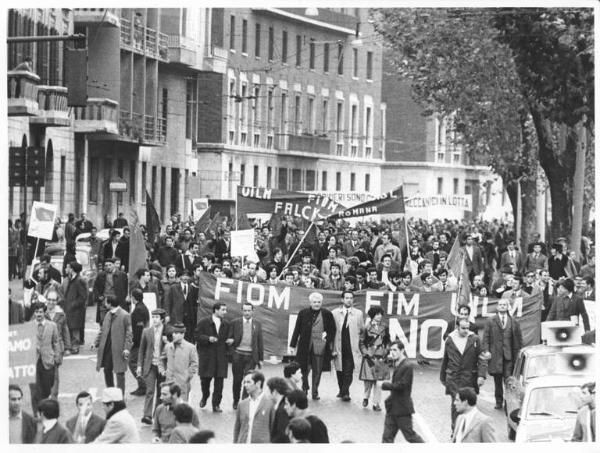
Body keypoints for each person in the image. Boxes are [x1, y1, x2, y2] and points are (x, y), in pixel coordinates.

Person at [440, 318, 487, 431]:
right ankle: (455, 430)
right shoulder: (450, 340)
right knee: (456, 404)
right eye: (463, 328)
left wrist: (481, 375)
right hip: (454, 377)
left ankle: (467, 429)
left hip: (469, 378)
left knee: (468, 405)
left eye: (467, 328)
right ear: (457, 327)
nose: (466, 330)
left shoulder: (475, 339)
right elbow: (446, 359)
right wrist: (443, 377)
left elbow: (481, 358)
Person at [289, 292, 336, 401]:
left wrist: (326, 339)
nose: (317, 304)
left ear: (321, 302)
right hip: (305, 346)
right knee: (304, 369)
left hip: (320, 347)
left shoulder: (327, 314)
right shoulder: (303, 313)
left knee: (317, 371)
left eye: (319, 302)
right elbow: (297, 330)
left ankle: (315, 391)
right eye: (314, 302)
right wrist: (292, 344)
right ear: (310, 302)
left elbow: (332, 330)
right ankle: (305, 387)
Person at [481, 299, 523, 409]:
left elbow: (519, 339)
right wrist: (486, 350)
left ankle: (508, 403)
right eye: (500, 305)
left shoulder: (514, 322)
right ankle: (498, 402)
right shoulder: (491, 321)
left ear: (508, 307)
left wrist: (518, 353)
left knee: (509, 381)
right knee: (497, 380)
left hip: (509, 356)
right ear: (497, 307)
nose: (502, 306)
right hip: (495, 356)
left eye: (504, 305)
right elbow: (486, 337)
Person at [381, 341, 424, 443]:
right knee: (387, 438)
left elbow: (402, 385)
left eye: (395, 350)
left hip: (402, 409)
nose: (392, 352)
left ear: (402, 350)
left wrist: (384, 385)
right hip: (393, 408)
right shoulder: (399, 364)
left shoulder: (407, 366)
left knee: (410, 436)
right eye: (391, 350)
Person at [195, 302, 234, 412]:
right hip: (207, 357)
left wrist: (230, 340)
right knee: (205, 381)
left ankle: (216, 404)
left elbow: (230, 337)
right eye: (223, 310)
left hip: (221, 357)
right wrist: (208, 338)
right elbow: (197, 336)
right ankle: (205, 396)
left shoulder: (226, 324)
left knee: (219, 383)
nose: (225, 312)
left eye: (225, 310)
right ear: (215, 310)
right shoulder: (204, 322)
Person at [93, 295, 133, 396]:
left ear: (110, 304)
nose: (104, 304)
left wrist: (127, 348)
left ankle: (120, 396)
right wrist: (95, 342)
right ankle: (111, 393)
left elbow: (129, 334)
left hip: (118, 349)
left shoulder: (125, 315)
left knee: (120, 373)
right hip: (107, 348)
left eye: (106, 302)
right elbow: (102, 330)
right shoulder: (108, 315)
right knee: (107, 370)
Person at [229, 301, 264, 409]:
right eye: (245, 310)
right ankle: (235, 400)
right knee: (237, 380)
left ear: (252, 311)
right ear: (242, 311)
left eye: (249, 310)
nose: (247, 313)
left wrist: (261, 359)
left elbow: (260, 342)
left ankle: (244, 401)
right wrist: (232, 353)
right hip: (238, 355)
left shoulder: (257, 324)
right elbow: (230, 338)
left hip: (251, 357)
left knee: (248, 380)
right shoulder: (235, 322)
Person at [332, 290, 364, 402]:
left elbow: (361, 330)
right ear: (342, 299)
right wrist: (332, 347)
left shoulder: (358, 314)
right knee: (339, 370)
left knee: (348, 370)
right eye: (346, 298)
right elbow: (332, 331)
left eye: (351, 298)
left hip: (352, 347)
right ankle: (341, 389)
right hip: (339, 346)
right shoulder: (335, 313)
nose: (349, 300)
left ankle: (346, 392)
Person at [137, 308, 167, 425]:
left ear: (162, 319)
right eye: (153, 317)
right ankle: (147, 415)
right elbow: (141, 350)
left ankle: (157, 415)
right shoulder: (146, 331)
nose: (154, 319)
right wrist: (139, 365)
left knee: (160, 392)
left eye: (156, 317)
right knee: (150, 390)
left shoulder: (167, 332)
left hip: (162, 366)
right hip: (150, 365)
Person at [359, 306, 390, 411]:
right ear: (372, 315)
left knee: (379, 382)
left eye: (381, 314)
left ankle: (376, 403)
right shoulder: (366, 327)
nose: (379, 316)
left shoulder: (385, 327)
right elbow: (361, 342)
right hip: (370, 356)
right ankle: (365, 397)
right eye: (377, 314)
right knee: (368, 381)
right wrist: (365, 353)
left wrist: (386, 351)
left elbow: (387, 341)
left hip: (381, 356)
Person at [233, 370, 275, 443]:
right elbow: (237, 428)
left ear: (258, 384)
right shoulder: (242, 404)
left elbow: (273, 428)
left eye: (248, 382)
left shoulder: (270, 404)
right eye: (244, 382)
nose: (245, 385)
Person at [31, 302, 60, 404]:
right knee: (35, 390)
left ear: (44, 312)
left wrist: (57, 358)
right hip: (33, 362)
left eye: (40, 312)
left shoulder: (52, 325)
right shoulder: (29, 327)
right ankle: (37, 413)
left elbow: (56, 342)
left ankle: (45, 408)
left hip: (48, 361)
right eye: (36, 312)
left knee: (47, 389)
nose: (38, 314)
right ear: (34, 313)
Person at [43, 290, 70, 399]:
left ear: (56, 301)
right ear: (46, 300)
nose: (51, 302)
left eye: (54, 300)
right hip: (44, 348)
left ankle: (54, 398)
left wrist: (68, 347)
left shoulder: (61, 315)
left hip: (57, 349)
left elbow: (65, 330)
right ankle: (45, 396)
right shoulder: (41, 313)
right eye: (49, 299)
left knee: (54, 375)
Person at [164, 323, 199, 401]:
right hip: (169, 382)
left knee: (181, 407)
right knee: (169, 407)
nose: (173, 335)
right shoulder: (168, 346)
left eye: (176, 333)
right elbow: (162, 359)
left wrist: (187, 375)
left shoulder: (191, 347)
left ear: (182, 334)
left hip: (182, 383)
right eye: (173, 333)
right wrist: (163, 371)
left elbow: (195, 364)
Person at [60, 261, 87, 354]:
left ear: (72, 269)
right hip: (69, 308)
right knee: (69, 327)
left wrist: (73, 304)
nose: (67, 269)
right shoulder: (70, 279)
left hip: (76, 310)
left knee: (75, 327)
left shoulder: (79, 280)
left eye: (69, 267)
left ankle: (75, 346)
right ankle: (70, 345)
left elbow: (83, 296)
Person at [128, 288, 149, 396]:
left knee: (133, 362)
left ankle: (143, 385)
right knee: (139, 362)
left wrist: (134, 342)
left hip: (139, 342)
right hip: (142, 340)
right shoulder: (142, 307)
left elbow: (138, 329)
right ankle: (143, 385)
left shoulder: (138, 311)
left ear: (133, 298)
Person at [94, 258, 128, 324]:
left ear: (114, 265)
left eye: (110, 265)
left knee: (116, 322)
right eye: (106, 265)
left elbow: (125, 288)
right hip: (104, 301)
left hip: (116, 302)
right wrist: (98, 296)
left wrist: (122, 298)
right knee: (103, 322)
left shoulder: (122, 275)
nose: (108, 267)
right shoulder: (101, 275)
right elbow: (96, 287)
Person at [267, 377, 290, 443]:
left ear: (274, 391)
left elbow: (282, 433)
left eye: (268, 390)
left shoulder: (282, 409)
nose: (267, 394)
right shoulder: (283, 404)